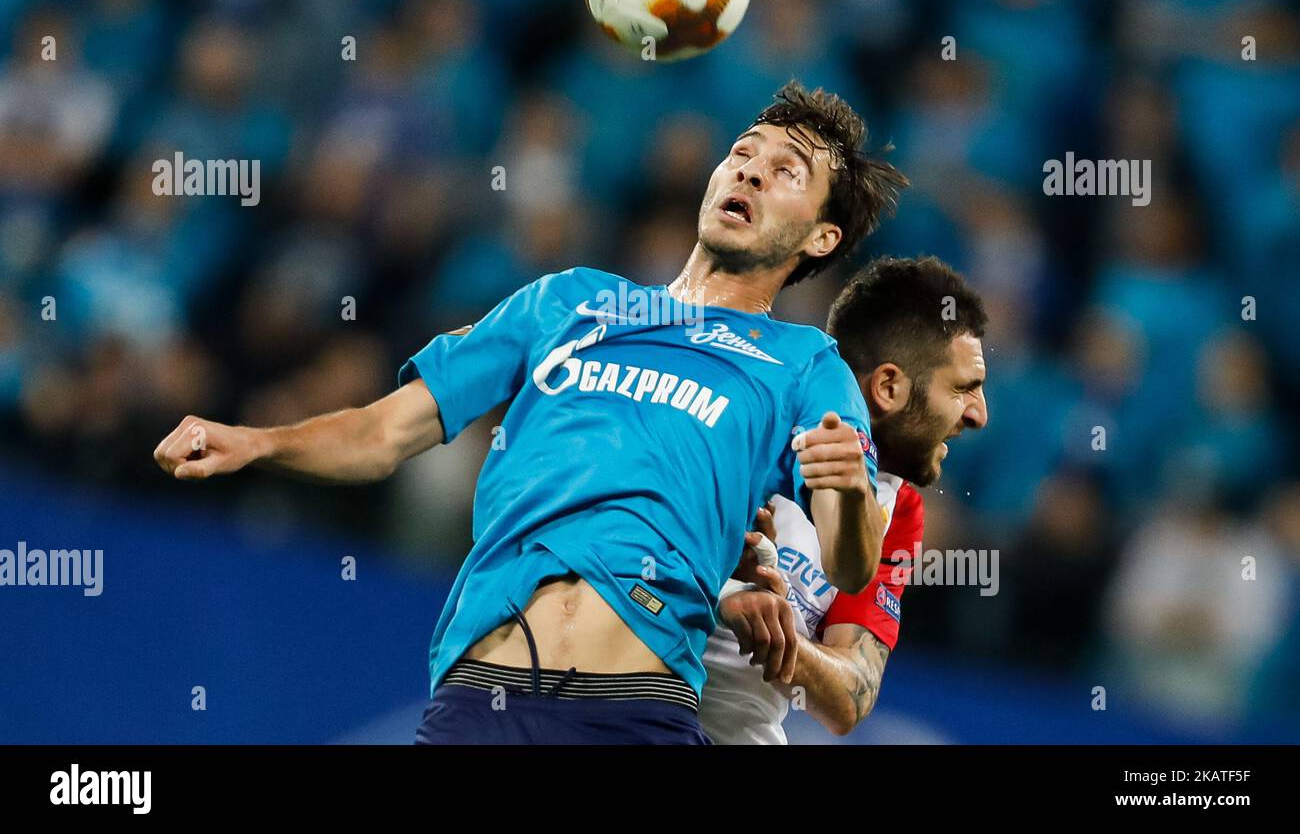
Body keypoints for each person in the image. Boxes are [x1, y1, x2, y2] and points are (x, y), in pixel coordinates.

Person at [153, 80, 907, 744]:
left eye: (786, 172)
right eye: (744, 152)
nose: (750, 170)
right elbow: (386, 432)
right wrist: (256, 440)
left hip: (636, 713)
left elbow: (848, 559)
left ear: (821, 236)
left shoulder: (806, 365)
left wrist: (841, 488)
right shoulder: (568, 301)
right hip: (480, 702)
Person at [701, 256, 989, 743]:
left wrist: (780, 631)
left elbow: (849, 697)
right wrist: (725, 593)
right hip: (627, 705)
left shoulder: (897, 512)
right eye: (964, 389)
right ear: (889, 387)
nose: (979, 414)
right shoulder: (749, 414)